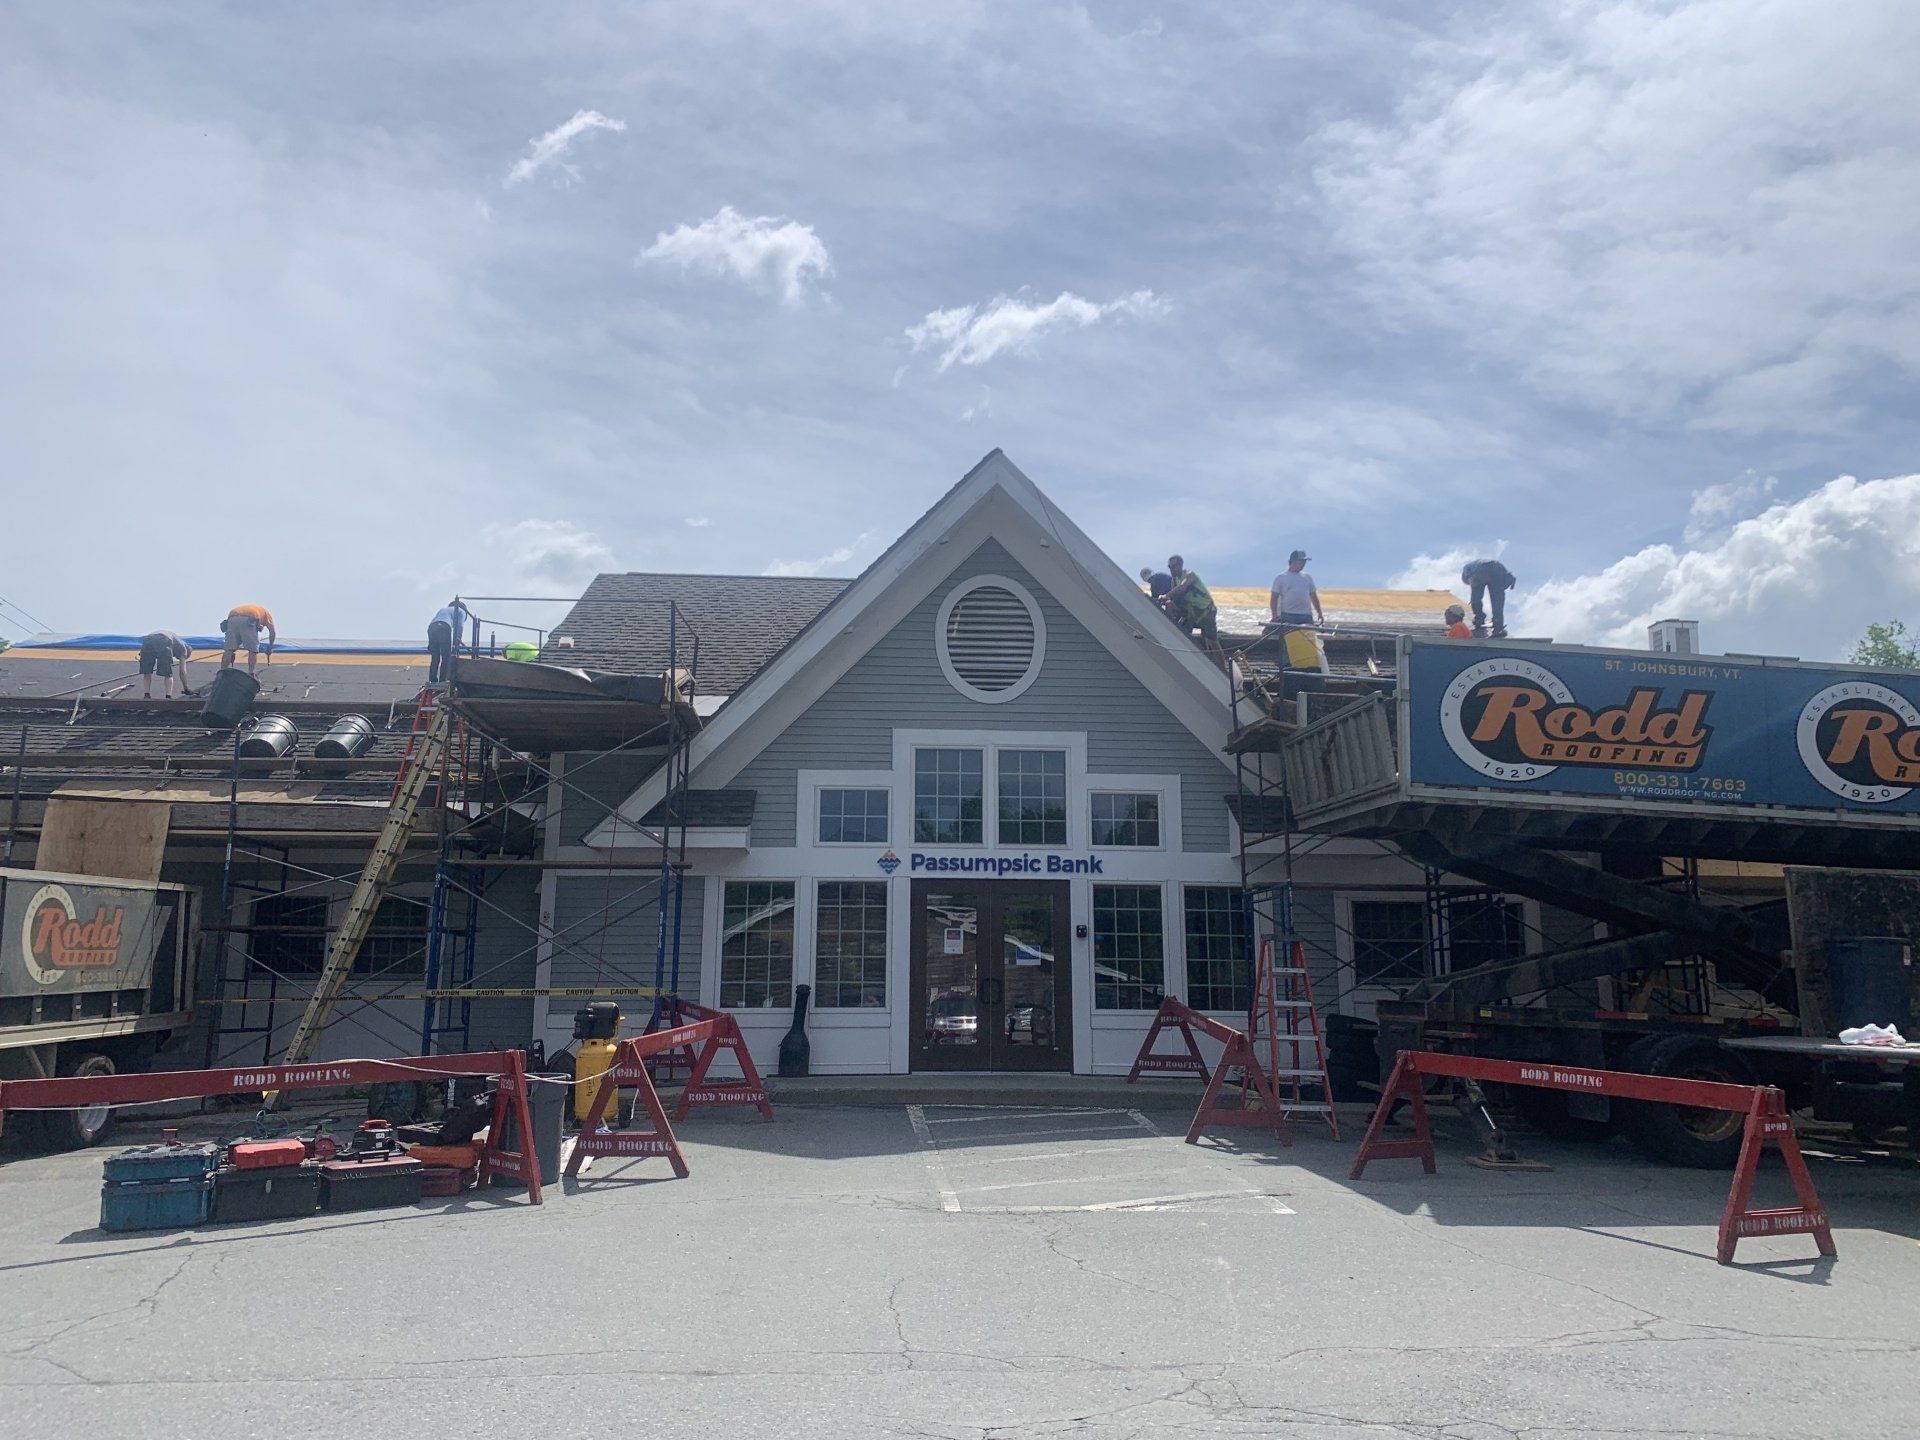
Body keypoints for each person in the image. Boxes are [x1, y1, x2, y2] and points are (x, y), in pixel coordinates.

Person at [1164, 555, 1224, 665]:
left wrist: (1166, 595)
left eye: (1174, 566)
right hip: (1192, 613)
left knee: (1212, 640)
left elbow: (1183, 587)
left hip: (1205, 611)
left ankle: (1223, 669)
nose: (1172, 569)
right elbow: (1175, 598)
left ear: (1181, 565)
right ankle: (1172, 632)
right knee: (1169, 605)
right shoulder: (1174, 580)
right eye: (1170, 567)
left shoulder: (1189, 574)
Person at [1460, 558, 1515, 639]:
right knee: (1497, 602)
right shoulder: (1475, 565)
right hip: (1497, 567)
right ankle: (1498, 627)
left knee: (1476, 599)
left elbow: (1475, 598)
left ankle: (1480, 618)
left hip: (1482, 568)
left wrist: (1474, 597)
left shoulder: (1467, 570)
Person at [1269, 549, 1324, 628]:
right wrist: (1274, 615)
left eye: (1304, 562)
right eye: (1301, 562)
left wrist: (1319, 613)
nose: (1303, 564)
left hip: (1306, 615)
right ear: (1293, 561)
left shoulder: (1307, 577)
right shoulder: (1281, 578)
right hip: (1288, 615)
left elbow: (1313, 596)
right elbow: (1274, 598)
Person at [220, 603, 277, 675]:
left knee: (229, 649)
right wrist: (270, 647)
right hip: (250, 618)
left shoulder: (252, 609)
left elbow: (239, 629)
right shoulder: (266, 613)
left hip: (232, 617)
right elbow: (272, 632)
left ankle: (222, 672)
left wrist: (232, 651)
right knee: (253, 650)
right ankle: (251, 673)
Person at [136, 631, 194, 699]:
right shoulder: (184, 650)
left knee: (147, 671)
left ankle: (146, 694)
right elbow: (182, 672)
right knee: (168, 673)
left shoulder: (177, 642)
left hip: (148, 639)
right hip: (164, 640)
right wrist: (186, 688)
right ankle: (168, 696)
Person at [427, 599, 470, 685]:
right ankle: (443, 680)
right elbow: (459, 626)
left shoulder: (444, 609)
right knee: (446, 656)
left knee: (435, 656)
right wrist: (457, 641)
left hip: (432, 627)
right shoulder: (461, 611)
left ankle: (432, 680)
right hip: (444, 627)